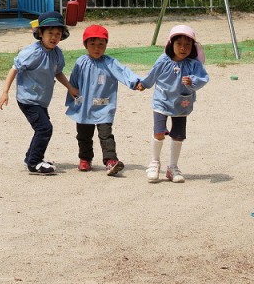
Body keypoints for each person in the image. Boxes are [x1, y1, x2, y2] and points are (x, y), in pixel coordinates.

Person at [0, 11, 79, 175]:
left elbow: (57, 72)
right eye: (50, 33)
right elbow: (14, 69)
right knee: (44, 128)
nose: (54, 37)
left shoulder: (57, 53)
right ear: (40, 33)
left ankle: (31, 158)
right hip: (27, 99)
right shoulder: (31, 53)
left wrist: (70, 87)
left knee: (42, 128)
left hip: (41, 99)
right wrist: (5, 92)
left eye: (58, 34)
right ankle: (34, 162)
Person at [65, 24, 144, 175]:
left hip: (104, 107)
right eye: (92, 44)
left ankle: (110, 161)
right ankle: (85, 159)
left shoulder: (110, 63)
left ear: (106, 45)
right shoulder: (81, 62)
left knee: (106, 134)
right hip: (84, 107)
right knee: (83, 135)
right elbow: (73, 82)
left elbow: (124, 72)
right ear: (85, 45)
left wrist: (136, 83)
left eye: (101, 44)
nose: (97, 48)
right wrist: (72, 97)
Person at [139, 24, 210, 183]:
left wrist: (192, 81)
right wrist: (144, 84)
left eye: (187, 44)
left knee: (178, 135)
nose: (183, 48)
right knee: (159, 132)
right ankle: (154, 163)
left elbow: (203, 78)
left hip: (182, 103)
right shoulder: (164, 60)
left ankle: (172, 167)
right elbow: (153, 74)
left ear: (192, 46)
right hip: (162, 101)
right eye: (179, 44)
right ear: (171, 44)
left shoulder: (193, 64)